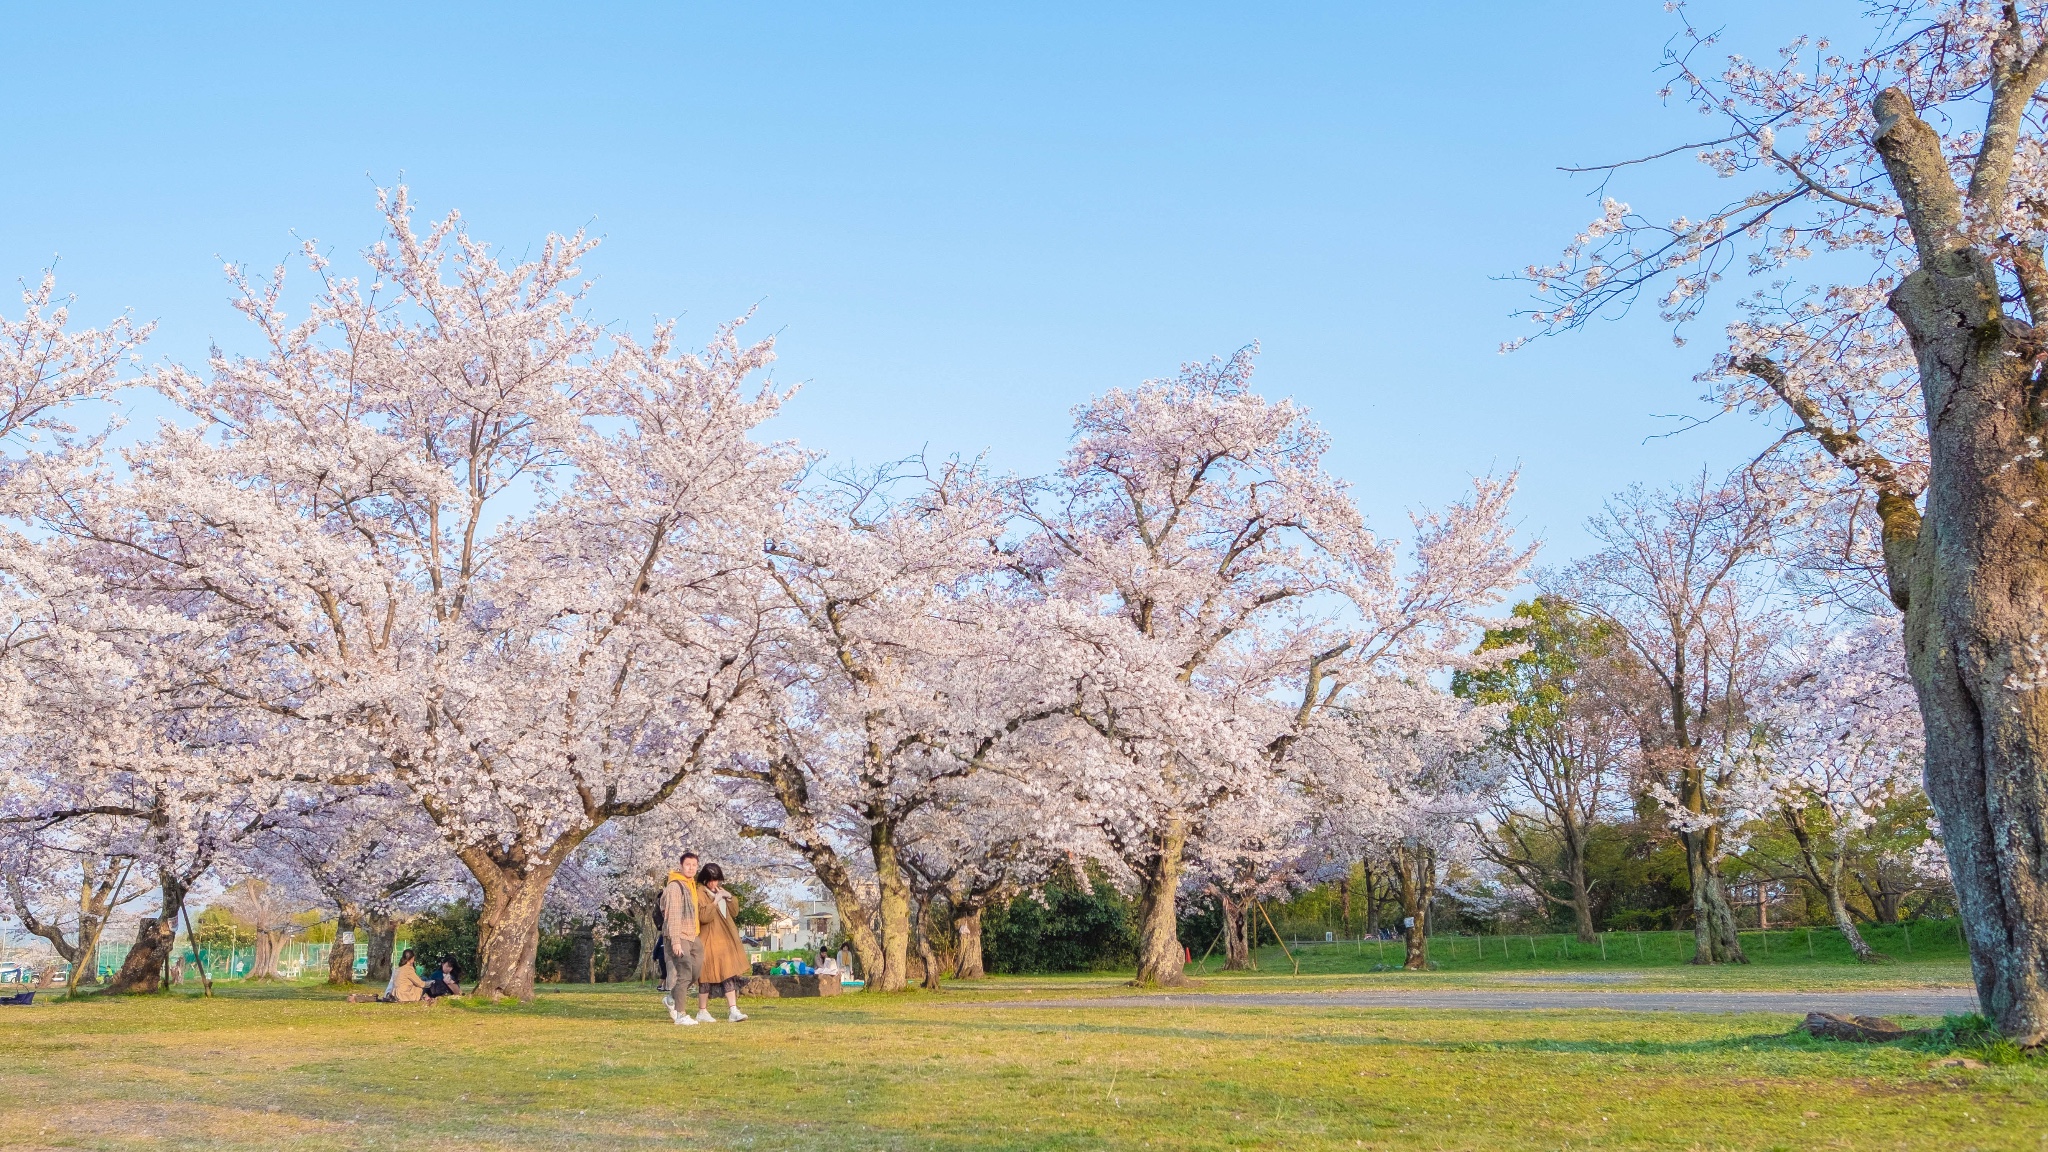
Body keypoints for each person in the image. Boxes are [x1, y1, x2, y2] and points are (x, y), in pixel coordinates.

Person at [692, 863, 749, 1023]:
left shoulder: (719, 891)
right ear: (704, 879)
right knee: (706, 975)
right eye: (710, 880)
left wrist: (728, 897)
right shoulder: (699, 893)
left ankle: (733, 1010)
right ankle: (702, 1011)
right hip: (709, 940)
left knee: (728, 974)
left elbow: (734, 912)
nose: (714, 884)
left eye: (716, 880)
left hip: (725, 940)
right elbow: (703, 917)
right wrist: (715, 902)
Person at [658, 851, 702, 1026]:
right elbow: (673, 916)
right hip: (679, 934)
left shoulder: (691, 885)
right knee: (684, 972)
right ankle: (680, 1013)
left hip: (693, 934)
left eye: (694, 865)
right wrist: (675, 941)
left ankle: (671, 998)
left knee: (696, 970)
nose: (691, 868)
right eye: (687, 865)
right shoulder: (675, 887)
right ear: (681, 866)